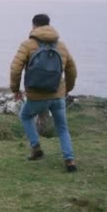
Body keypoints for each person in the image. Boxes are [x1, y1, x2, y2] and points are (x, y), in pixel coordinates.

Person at [10, 14, 78, 172]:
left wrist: (15, 89)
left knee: (26, 116)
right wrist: (67, 89)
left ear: (34, 26)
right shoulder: (61, 46)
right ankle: (70, 160)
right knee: (62, 128)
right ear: (49, 25)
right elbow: (72, 70)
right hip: (57, 94)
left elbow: (15, 69)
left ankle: (36, 148)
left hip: (36, 95)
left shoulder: (27, 45)